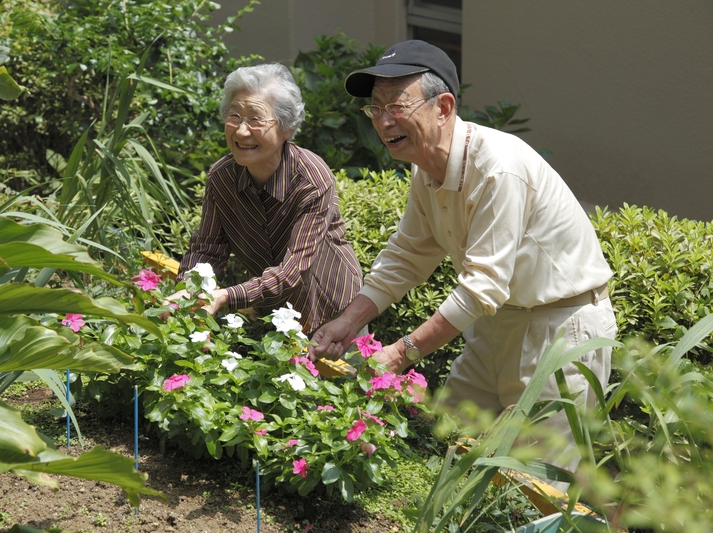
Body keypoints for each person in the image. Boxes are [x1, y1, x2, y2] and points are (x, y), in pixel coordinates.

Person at [311, 40, 617, 475]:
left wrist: (401, 353)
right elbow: (408, 254)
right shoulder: (427, 167)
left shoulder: (497, 166)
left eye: (396, 106)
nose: (382, 121)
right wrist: (348, 320)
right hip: (499, 323)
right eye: (374, 108)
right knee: (448, 444)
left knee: (541, 484)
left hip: (560, 329)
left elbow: (482, 285)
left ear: (443, 107)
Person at [167, 64, 362, 334]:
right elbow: (208, 249)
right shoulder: (222, 178)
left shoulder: (312, 180)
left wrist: (225, 296)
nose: (242, 131)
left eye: (256, 119)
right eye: (234, 115)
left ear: (286, 129)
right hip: (268, 307)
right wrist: (190, 289)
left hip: (331, 306)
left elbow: (293, 269)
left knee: (343, 375)